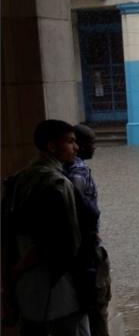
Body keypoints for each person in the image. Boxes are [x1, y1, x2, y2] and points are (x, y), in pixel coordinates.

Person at [5, 119, 91, 335]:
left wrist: (14, 274)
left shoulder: (18, 179)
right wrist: (19, 268)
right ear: (52, 146)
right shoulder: (57, 185)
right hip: (58, 286)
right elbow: (58, 240)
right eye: (70, 141)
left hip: (28, 289)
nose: (76, 147)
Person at [65, 124, 111, 336]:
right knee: (98, 307)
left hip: (81, 251)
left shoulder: (67, 169)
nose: (95, 147)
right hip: (89, 250)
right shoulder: (79, 171)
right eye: (91, 143)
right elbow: (80, 212)